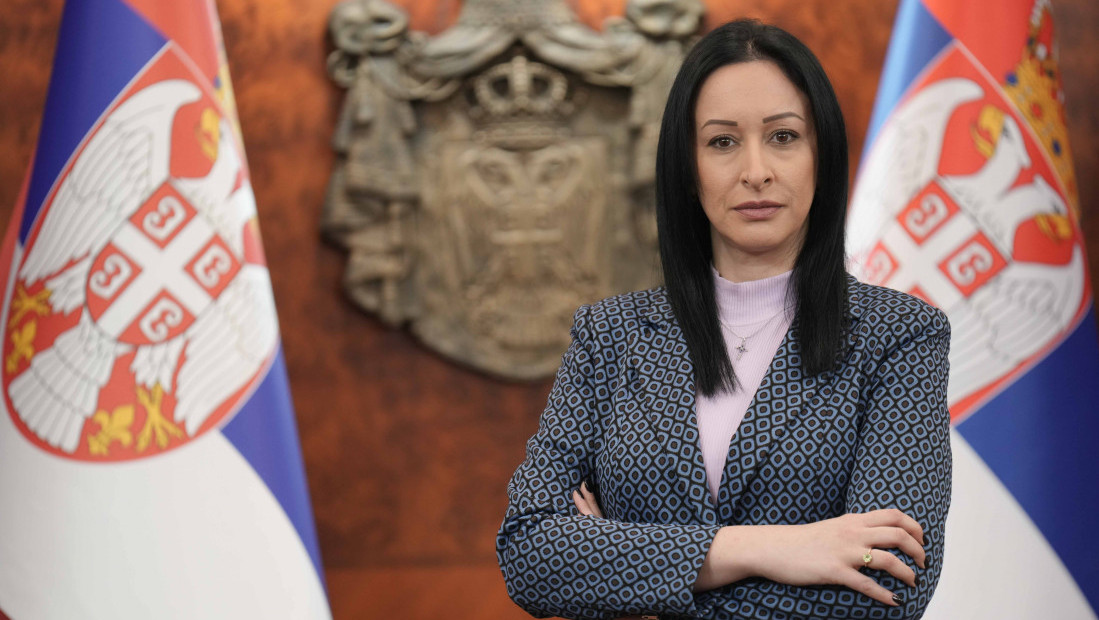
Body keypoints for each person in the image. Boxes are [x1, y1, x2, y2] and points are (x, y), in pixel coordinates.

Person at [496, 18, 951, 620]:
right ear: (688, 169)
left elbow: (889, 589)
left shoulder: (899, 335)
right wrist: (772, 548)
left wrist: (634, 586)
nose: (755, 170)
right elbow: (529, 552)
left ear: (821, 156)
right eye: (722, 142)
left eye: (783, 136)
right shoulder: (610, 336)